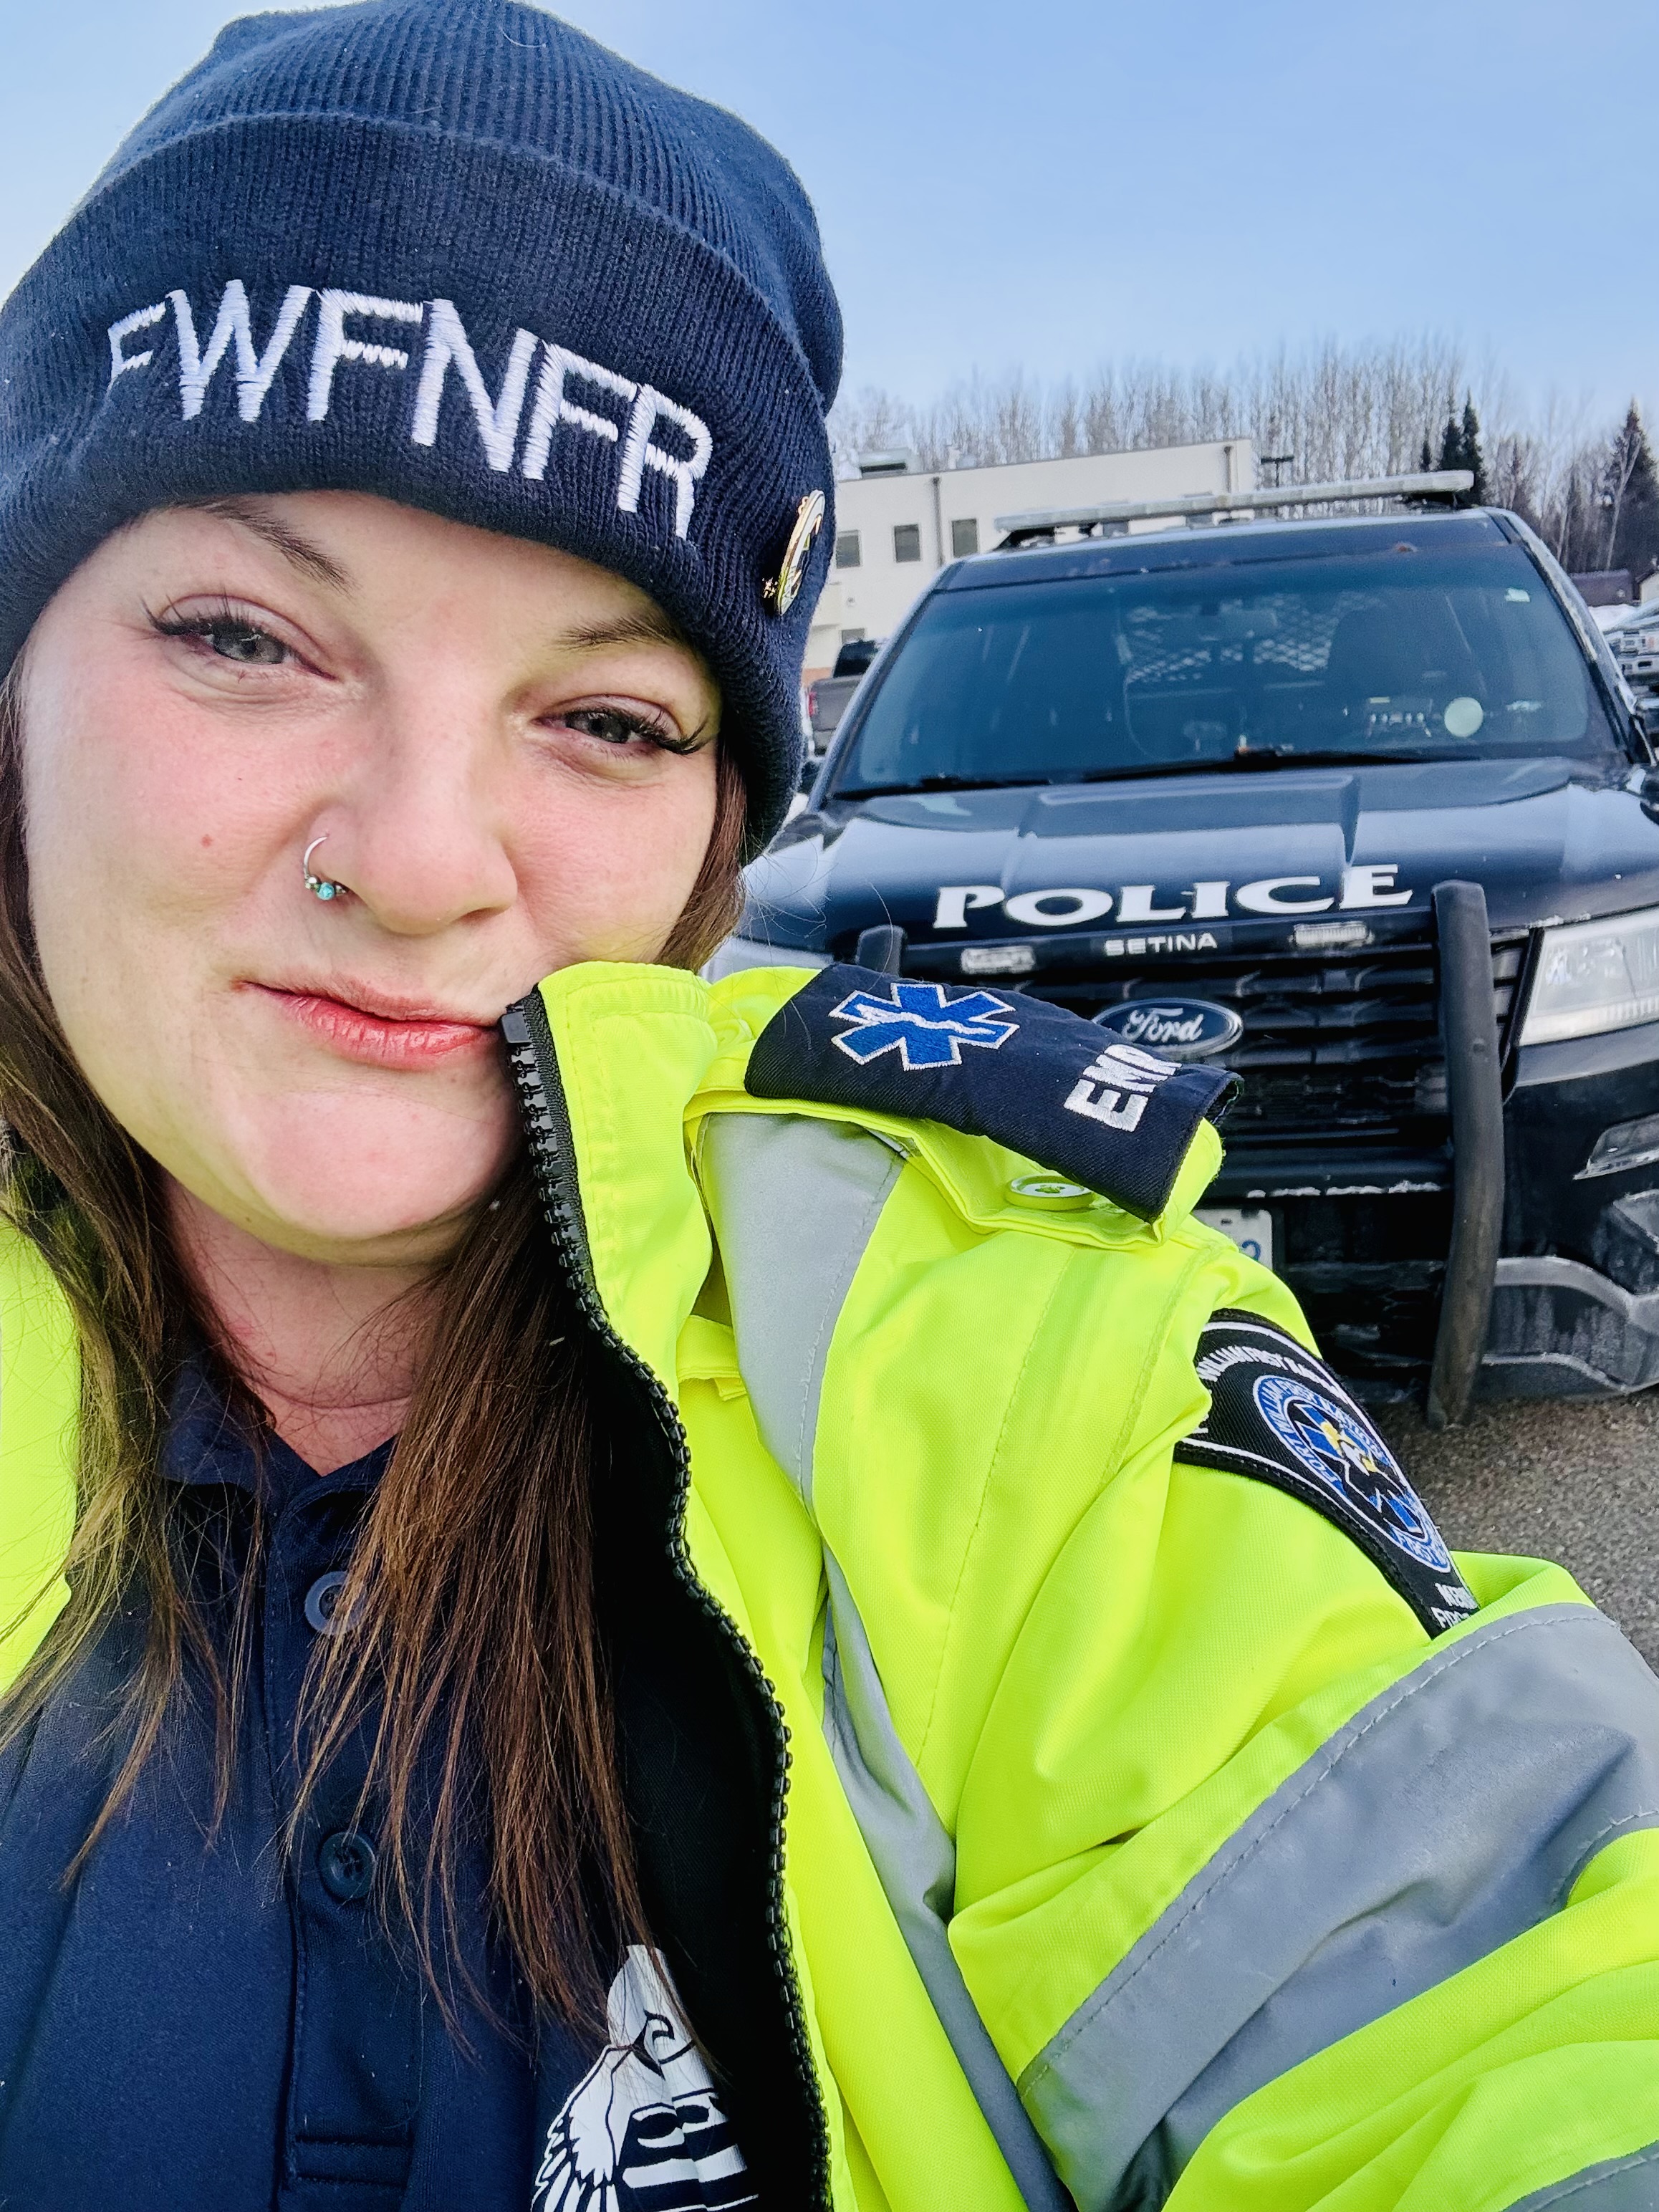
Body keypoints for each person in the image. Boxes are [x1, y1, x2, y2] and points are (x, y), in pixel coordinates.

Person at [1, 6, 1657, 2209]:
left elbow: (1496, 2018)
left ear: (721, 826)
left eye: (605, 716)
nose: (414, 858)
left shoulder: (1015, 1368)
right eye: (243, 637)